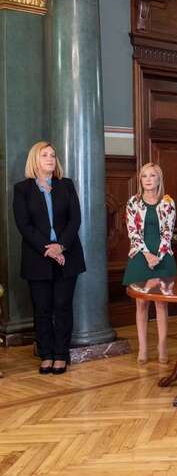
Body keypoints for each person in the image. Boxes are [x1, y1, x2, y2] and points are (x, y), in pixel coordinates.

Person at [13, 141, 86, 375]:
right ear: (35, 160)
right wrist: (49, 249)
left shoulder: (66, 185)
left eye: (53, 155)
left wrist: (60, 246)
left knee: (62, 306)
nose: (50, 159)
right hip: (38, 257)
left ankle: (61, 355)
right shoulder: (22, 189)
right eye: (44, 155)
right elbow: (24, 225)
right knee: (42, 308)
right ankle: (46, 354)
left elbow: (75, 220)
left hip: (68, 255)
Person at [122, 163, 177, 365]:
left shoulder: (167, 202)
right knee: (142, 303)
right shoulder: (133, 203)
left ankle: (162, 346)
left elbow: (168, 234)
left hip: (162, 256)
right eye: (144, 176)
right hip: (140, 256)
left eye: (152, 175)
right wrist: (147, 255)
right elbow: (133, 233)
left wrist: (158, 256)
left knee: (161, 303)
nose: (147, 179)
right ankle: (143, 348)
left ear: (158, 179)